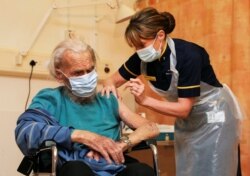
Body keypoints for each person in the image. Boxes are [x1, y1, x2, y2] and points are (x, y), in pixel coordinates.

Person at [101, 7, 244, 176]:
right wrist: (110, 89)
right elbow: (110, 80)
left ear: (160, 35)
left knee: (214, 169)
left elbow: (183, 109)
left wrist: (145, 100)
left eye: (141, 45)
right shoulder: (141, 58)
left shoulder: (189, 55)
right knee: (188, 170)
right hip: (188, 121)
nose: (138, 51)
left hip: (215, 116)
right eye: (134, 46)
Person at [15, 39, 159, 176]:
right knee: (77, 170)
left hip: (111, 166)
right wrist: (84, 136)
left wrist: (121, 145)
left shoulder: (107, 98)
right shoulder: (51, 99)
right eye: (78, 73)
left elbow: (151, 127)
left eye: (90, 70)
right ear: (60, 76)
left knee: (141, 171)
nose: (86, 77)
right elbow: (25, 131)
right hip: (73, 165)